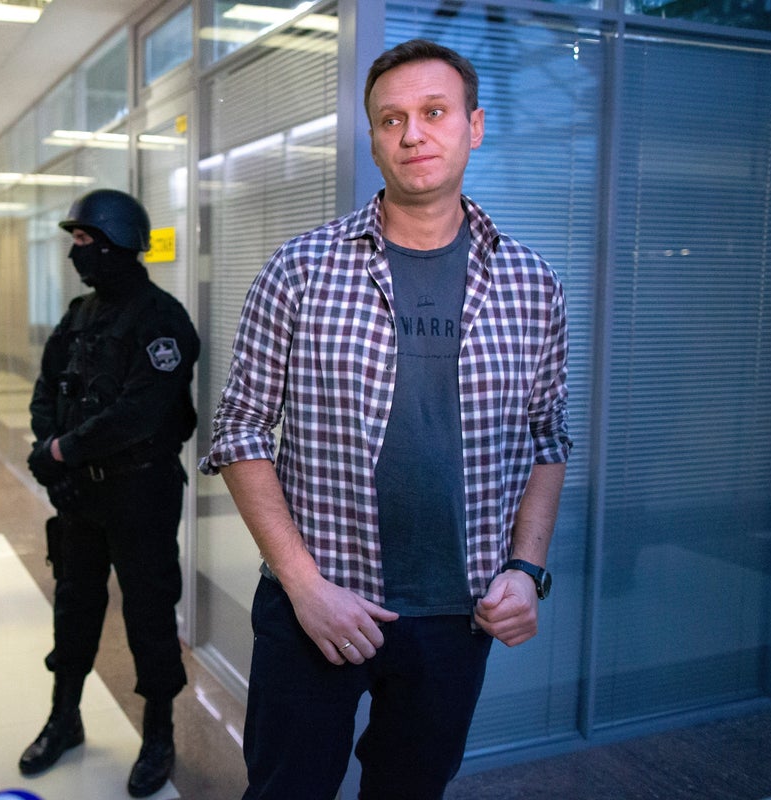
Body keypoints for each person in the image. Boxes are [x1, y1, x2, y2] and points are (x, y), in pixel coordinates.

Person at [200, 39, 572, 799]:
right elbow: (239, 430)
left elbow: (547, 437)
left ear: (474, 126)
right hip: (316, 605)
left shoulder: (533, 285)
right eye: (391, 119)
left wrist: (526, 569)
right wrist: (304, 586)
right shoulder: (301, 268)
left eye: (434, 112)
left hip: (457, 616)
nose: (412, 134)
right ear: (372, 140)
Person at [22, 189, 200, 798]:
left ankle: (159, 734)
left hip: (141, 493)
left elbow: (139, 414)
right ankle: (64, 717)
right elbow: (47, 386)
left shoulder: (162, 319)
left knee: (149, 612)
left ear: (115, 244)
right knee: (74, 606)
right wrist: (50, 445)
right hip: (81, 496)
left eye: (83, 241)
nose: (75, 253)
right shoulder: (79, 314)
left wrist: (62, 451)